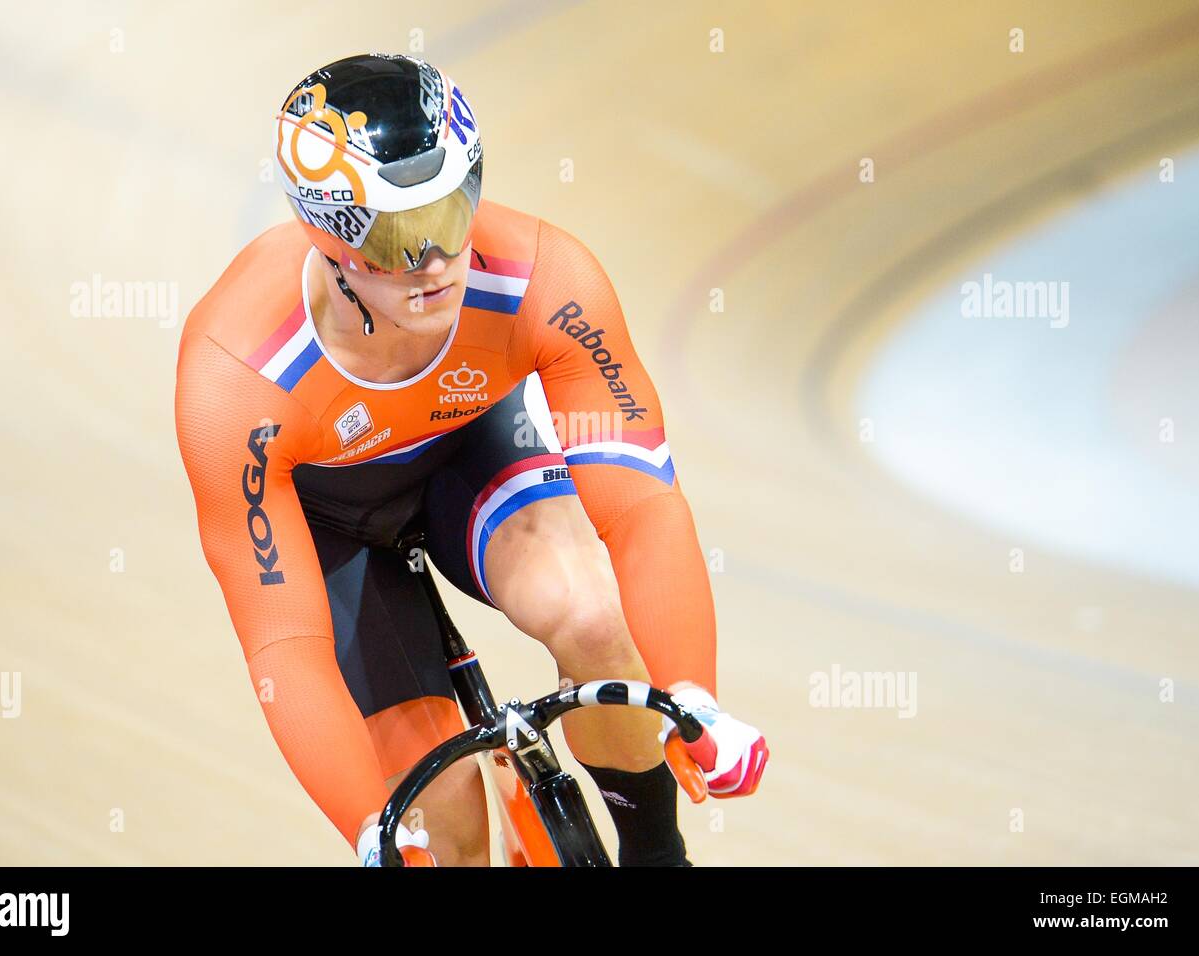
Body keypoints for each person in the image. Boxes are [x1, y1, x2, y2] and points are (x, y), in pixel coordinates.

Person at [174, 52, 768, 867]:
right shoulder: (235, 378)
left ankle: (655, 852)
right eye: (399, 234)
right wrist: (368, 826)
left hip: (469, 451)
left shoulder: (545, 278)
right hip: (328, 525)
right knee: (440, 820)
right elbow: (287, 646)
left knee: (593, 617)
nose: (438, 260)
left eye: (452, 214)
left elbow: (639, 509)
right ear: (328, 233)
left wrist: (692, 697)